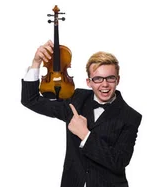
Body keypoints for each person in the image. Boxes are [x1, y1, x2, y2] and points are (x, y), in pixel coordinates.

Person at [21, 40, 142, 187]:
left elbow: (119, 161)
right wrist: (36, 63)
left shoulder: (131, 116)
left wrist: (85, 134)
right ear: (88, 82)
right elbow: (31, 100)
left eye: (110, 78)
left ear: (118, 80)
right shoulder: (77, 100)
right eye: (97, 78)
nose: (104, 84)